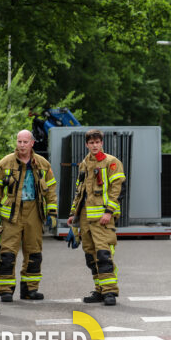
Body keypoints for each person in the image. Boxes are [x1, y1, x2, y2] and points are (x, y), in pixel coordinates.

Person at [0, 130, 57, 302]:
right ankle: (5, 290)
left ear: (32, 143)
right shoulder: (5, 163)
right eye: (19, 141)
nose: (21, 145)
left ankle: (30, 290)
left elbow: (50, 190)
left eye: (25, 142)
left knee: (34, 253)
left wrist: (52, 212)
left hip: (34, 211)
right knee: (7, 253)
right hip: (11, 213)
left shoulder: (42, 164)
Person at [67, 129, 125, 306]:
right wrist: (73, 214)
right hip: (85, 218)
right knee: (91, 256)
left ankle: (110, 292)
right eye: (91, 143)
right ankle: (99, 289)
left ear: (102, 143)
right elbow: (80, 191)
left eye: (97, 142)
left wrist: (109, 212)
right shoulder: (84, 164)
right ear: (87, 144)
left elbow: (118, 190)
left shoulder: (111, 162)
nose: (94, 145)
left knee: (104, 254)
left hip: (102, 218)